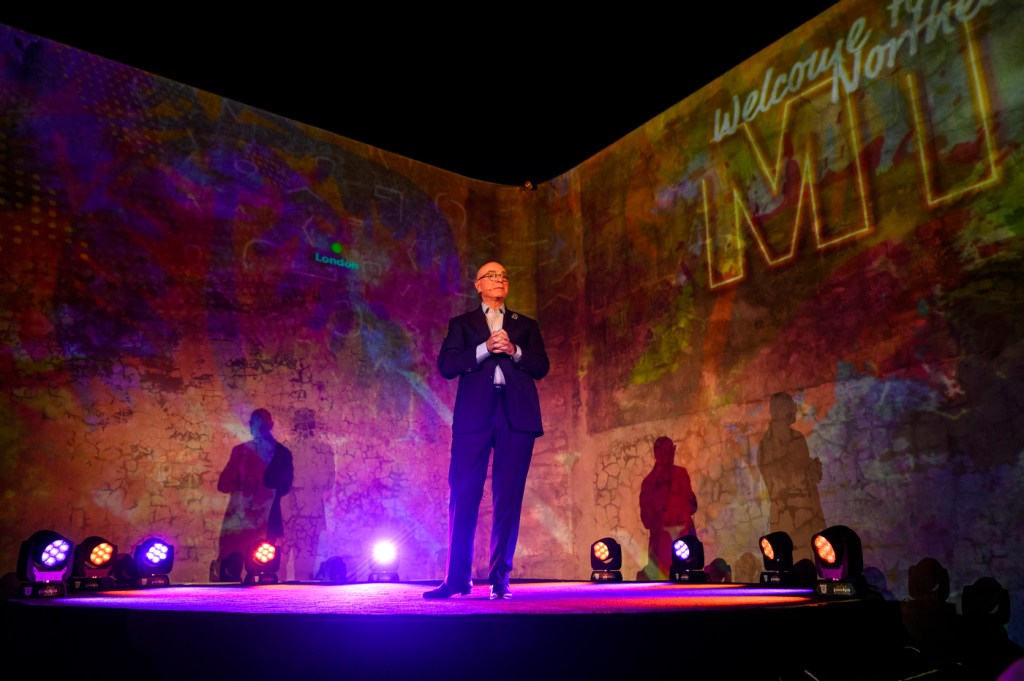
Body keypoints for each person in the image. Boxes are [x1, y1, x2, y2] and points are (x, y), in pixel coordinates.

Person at [424, 261, 549, 600]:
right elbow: (447, 366)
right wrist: (484, 350)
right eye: (492, 276)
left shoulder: (525, 325)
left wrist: (514, 350)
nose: (499, 280)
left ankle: (500, 580)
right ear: (478, 285)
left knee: (508, 499)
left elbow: (541, 366)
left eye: (504, 276)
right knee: (463, 495)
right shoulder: (462, 324)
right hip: (474, 419)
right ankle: (457, 580)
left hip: (516, 419)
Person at [216, 408, 294, 581]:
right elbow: (223, 484)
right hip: (241, 519)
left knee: (263, 569)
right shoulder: (241, 452)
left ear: (270, 426)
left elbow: (285, 487)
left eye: (260, 425)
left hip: (261, 520)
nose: (255, 428)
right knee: (234, 568)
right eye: (254, 424)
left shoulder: (282, 454)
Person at [756, 392, 826, 563]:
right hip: (787, 517)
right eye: (790, 406)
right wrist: (805, 473)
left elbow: (801, 472)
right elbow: (778, 483)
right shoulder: (766, 447)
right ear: (780, 410)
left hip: (809, 513)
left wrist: (812, 471)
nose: (794, 410)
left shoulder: (797, 439)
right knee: (792, 563)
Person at [638, 436, 698, 580]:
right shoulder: (648, 484)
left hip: (685, 541)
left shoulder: (681, 475)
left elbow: (692, 505)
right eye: (665, 452)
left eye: (670, 451)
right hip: (661, 546)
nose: (669, 455)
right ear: (656, 454)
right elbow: (646, 520)